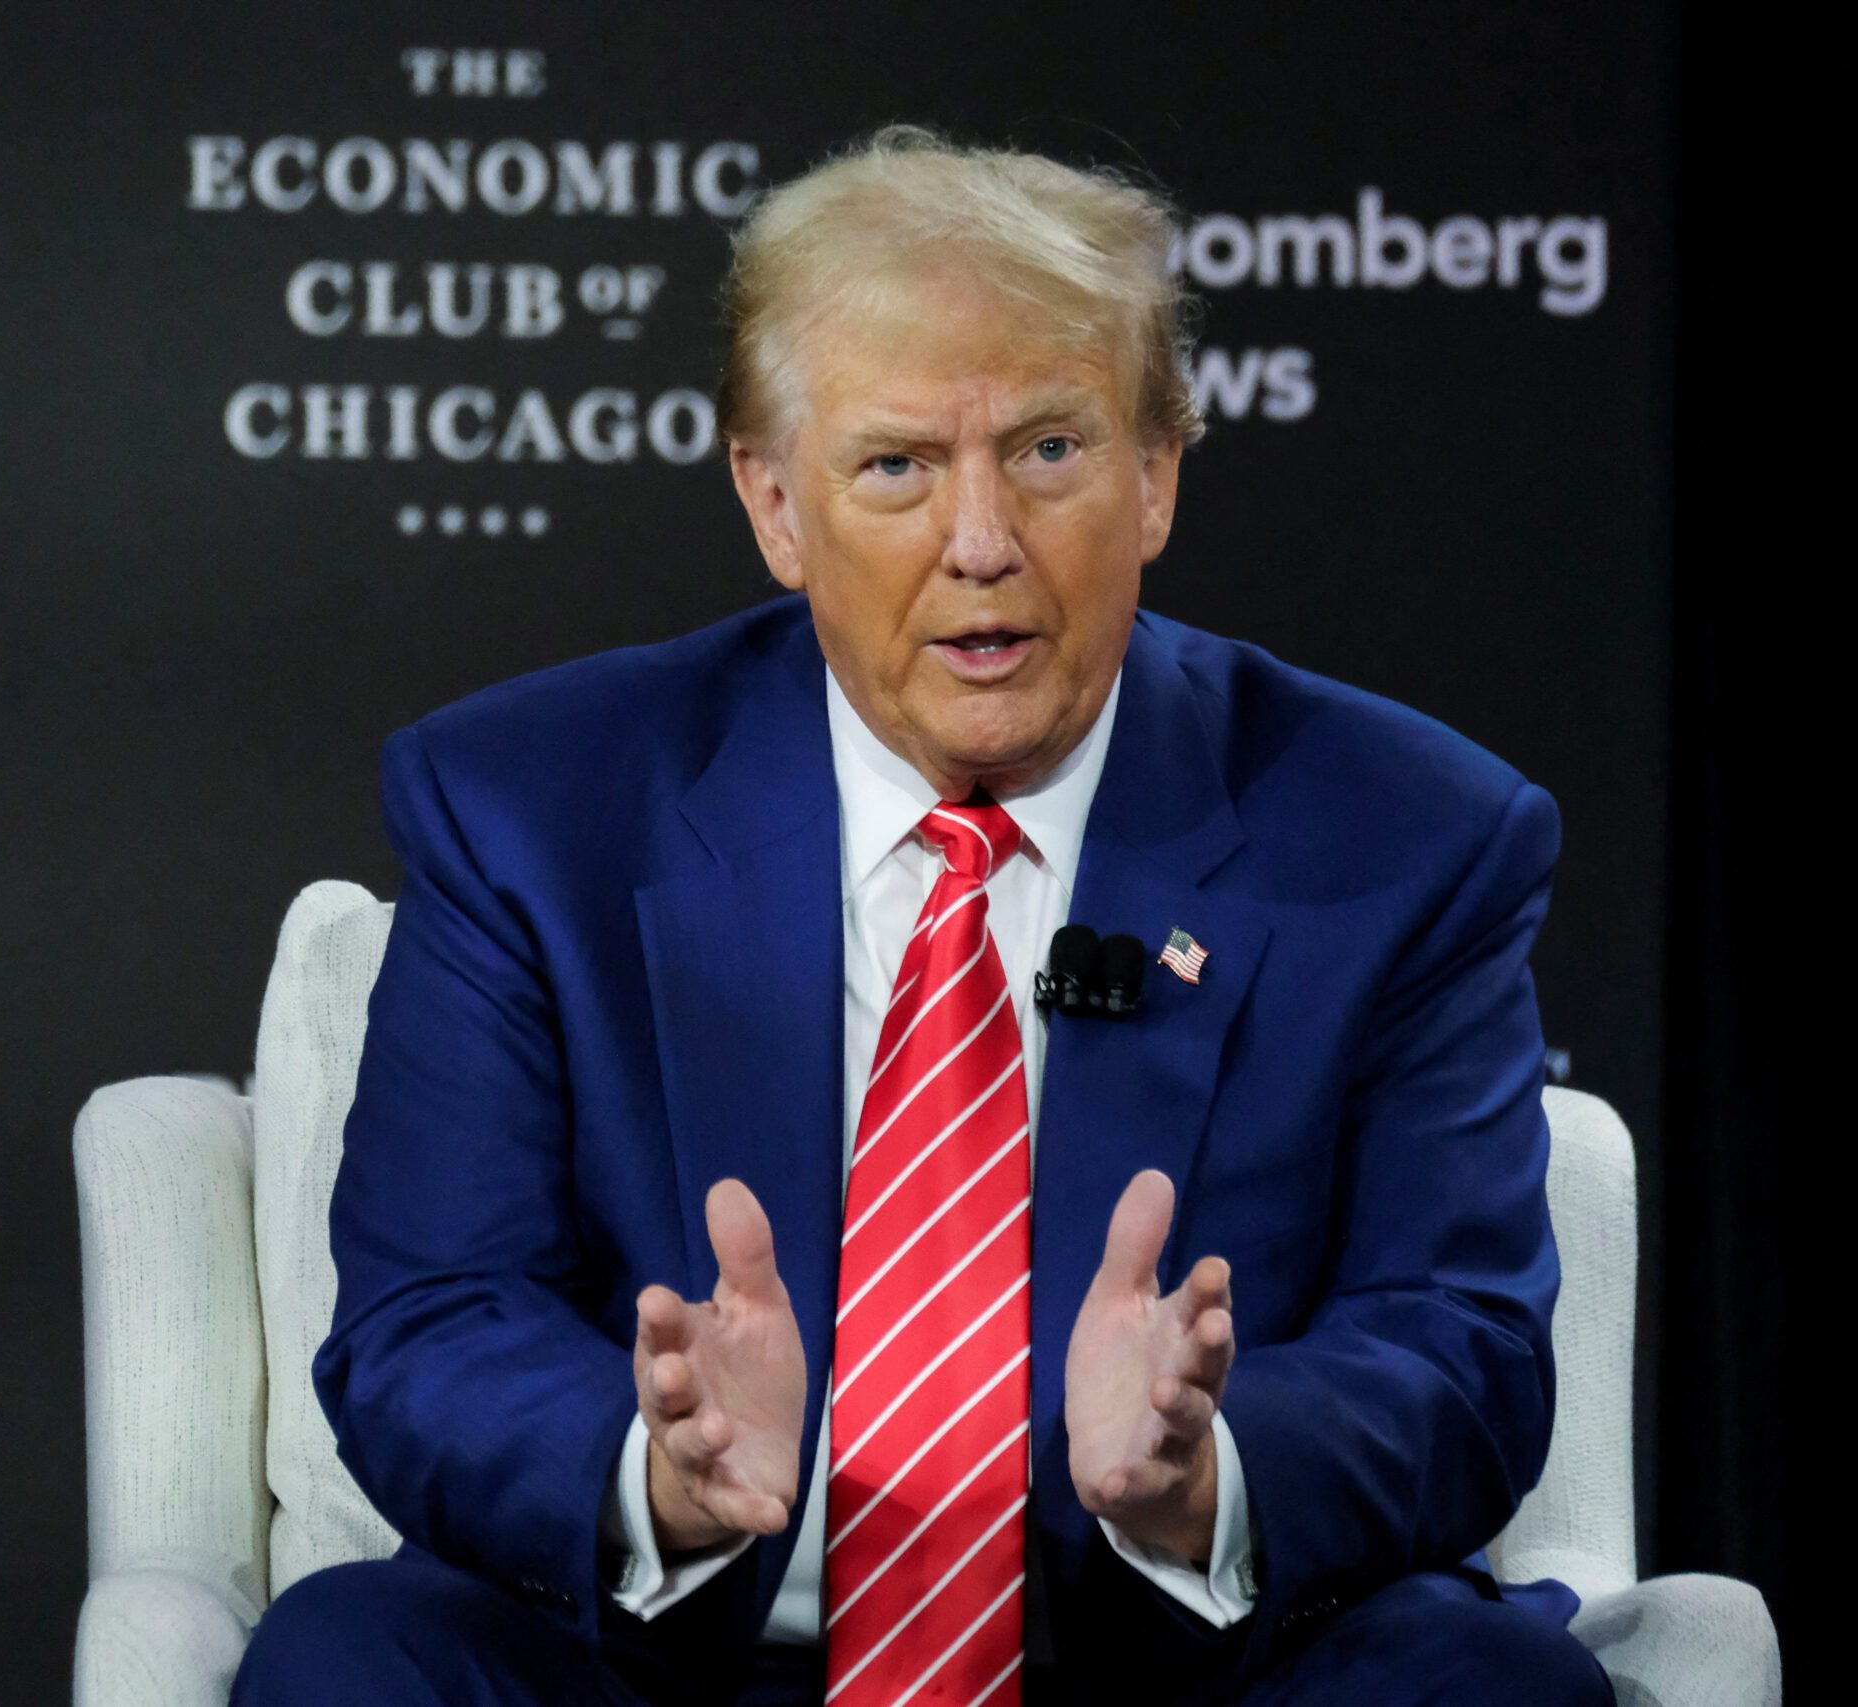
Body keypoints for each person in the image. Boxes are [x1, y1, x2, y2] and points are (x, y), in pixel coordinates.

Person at [231, 127, 1612, 1707]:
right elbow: (431, 1314)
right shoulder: (533, 810)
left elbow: (1463, 1341)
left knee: (1478, 1687)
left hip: (1184, 1667)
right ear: (775, 504)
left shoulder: (1406, 835)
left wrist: (1204, 1472)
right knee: (354, 1664)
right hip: (686, 1659)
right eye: (896, 466)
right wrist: (655, 1476)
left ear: (1156, 474)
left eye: (1048, 451)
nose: (981, 542)